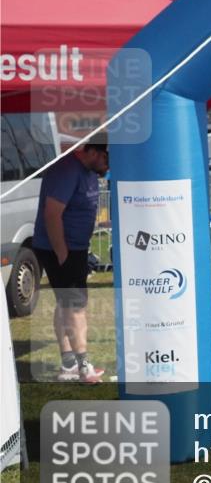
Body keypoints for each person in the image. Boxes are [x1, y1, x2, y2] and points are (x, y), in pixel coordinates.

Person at [33, 140, 110, 383]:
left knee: (65, 304)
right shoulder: (66, 170)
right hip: (61, 249)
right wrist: (62, 253)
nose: (108, 166)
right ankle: (83, 366)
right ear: (93, 152)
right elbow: (52, 213)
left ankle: (68, 365)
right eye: (107, 159)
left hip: (75, 248)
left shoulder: (86, 172)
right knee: (75, 307)